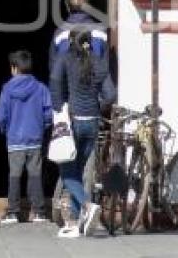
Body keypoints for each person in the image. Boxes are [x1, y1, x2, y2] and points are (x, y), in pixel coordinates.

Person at [49, 29, 117, 238]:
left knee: (67, 172)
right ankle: (79, 223)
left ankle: (87, 206)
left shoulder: (65, 59)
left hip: (75, 121)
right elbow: (111, 94)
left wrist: (60, 108)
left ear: (71, 42)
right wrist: (99, 105)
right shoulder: (98, 62)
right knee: (77, 170)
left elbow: (54, 83)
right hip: (94, 122)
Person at [0, 51, 53, 224]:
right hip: (35, 138)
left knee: (15, 175)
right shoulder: (41, 88)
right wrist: (42, 129)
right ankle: (39, 212)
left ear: (14, 68)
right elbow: (48, 114)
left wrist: (6, 130)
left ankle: (13, 212)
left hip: (15, 139)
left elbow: (1, 116)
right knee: (35, 174)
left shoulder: (7, 89)